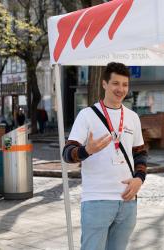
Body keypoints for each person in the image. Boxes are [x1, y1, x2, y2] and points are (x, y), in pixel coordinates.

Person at [62, 62, 147, 250]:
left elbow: (140, 154)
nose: (121, 89)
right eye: (115, 83)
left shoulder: (133, 117)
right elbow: (67, 154)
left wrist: (139, 179)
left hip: (127, 201)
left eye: (125, 84)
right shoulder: (87, 115)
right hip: (97, 200)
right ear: (104, 84)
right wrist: (86, 150)